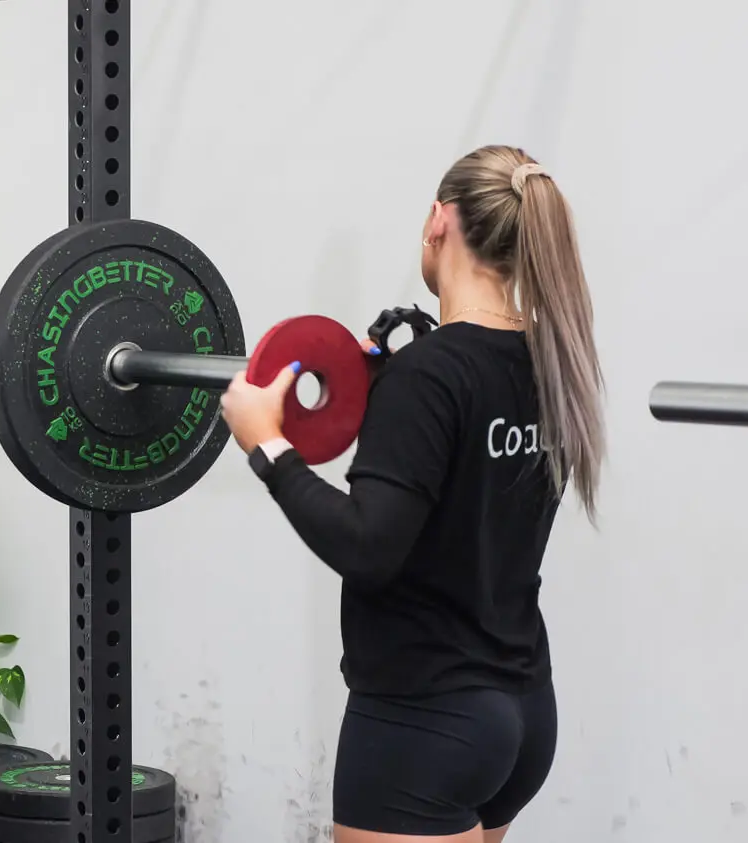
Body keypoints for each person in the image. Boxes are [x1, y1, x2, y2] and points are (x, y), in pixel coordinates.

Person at [220, 145, 603, 843]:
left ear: (438, 221)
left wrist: (264, 442)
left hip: (424, 725)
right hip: (522, 712)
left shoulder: (430, 374)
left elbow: (368, 546)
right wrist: (402, 379)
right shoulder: (549, 359)